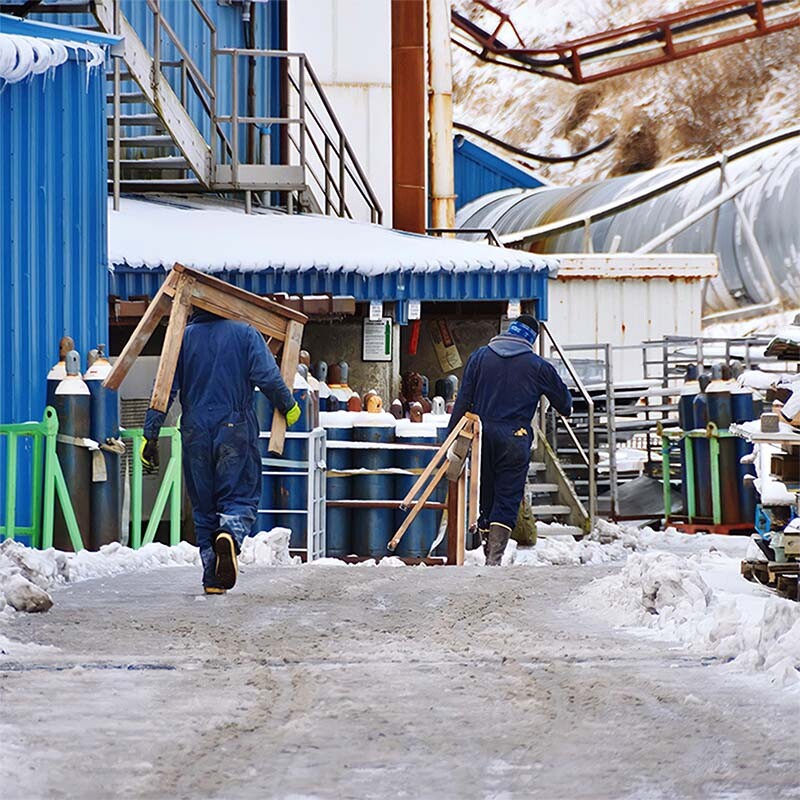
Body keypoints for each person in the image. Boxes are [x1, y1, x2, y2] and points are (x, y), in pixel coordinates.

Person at [141, 309, 301, 594]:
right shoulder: (245, 333)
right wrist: (288, 405)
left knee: (204, 506)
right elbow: (267, 376)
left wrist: (150, 435)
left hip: (194, 430)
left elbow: (164, 387)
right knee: (240, 495)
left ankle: (213, 579)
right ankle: (230, 534)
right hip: (234, 426)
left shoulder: (182, 337)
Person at [448, 314, 572, 566]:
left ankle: (487, 550)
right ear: (532, 340)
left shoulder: (479, 357)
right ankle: (494, 558)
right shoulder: (538, 366)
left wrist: (451, 438)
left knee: (486, 494)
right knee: (507, 496)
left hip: (481, 436)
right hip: (515, 438)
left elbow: (463, 401)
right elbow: (565, 405)